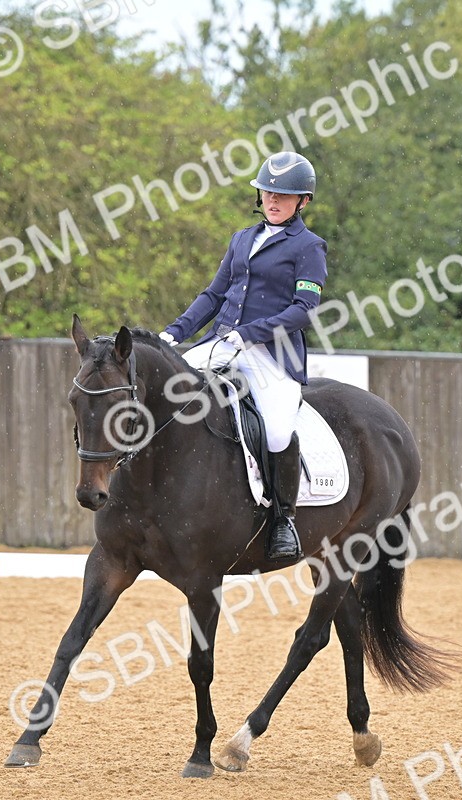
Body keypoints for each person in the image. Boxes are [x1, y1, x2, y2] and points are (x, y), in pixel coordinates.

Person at [160, 151, 327, 562]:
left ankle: (283, 520)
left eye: (283, 196)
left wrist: (249, 334)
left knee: (275, 432)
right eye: (268, 192)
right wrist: (174, 333)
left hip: (272, 356)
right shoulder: (241, 239)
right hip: (219, 345)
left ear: (302, 201)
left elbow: (304, 309)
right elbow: (214, 296)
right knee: (165, 396)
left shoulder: (309, 247)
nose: (273, 200)